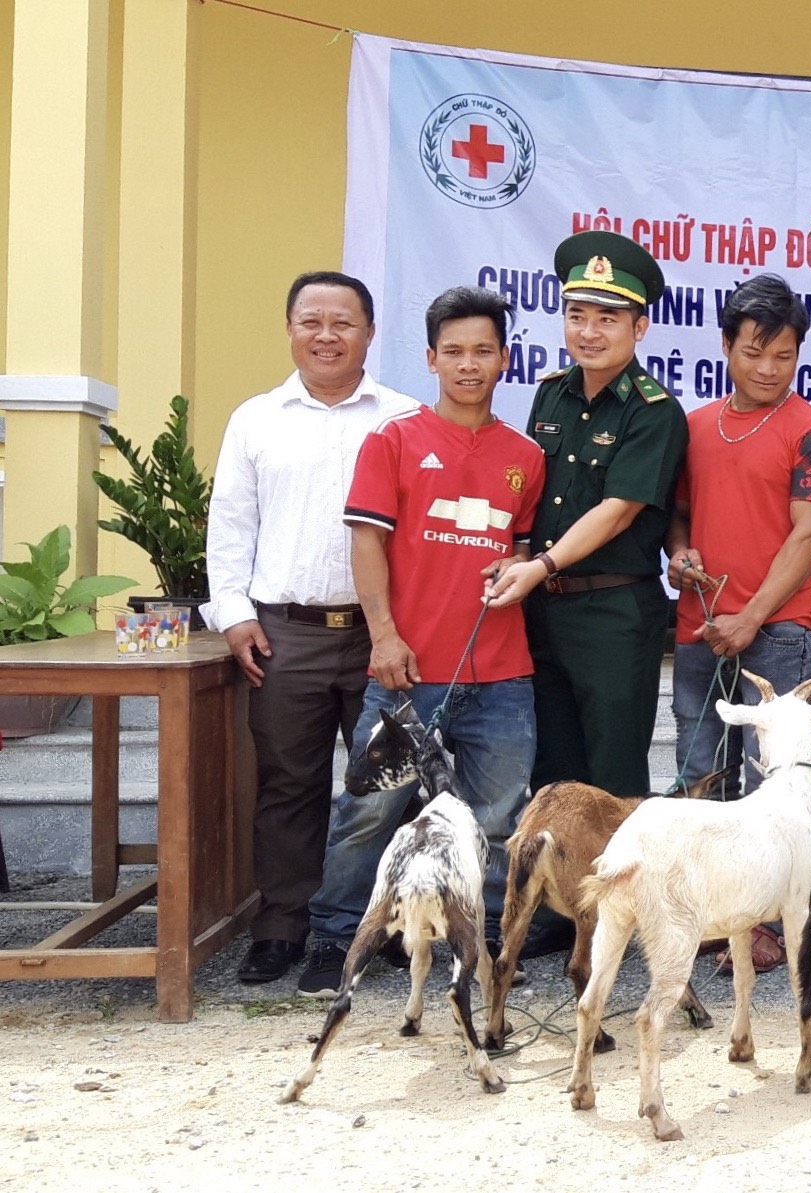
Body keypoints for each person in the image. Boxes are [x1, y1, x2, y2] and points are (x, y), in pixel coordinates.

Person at [298, 286, 545, 997]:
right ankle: (338, 934)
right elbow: (367, 544)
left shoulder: (524, 457)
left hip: (502, 674)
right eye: (455, 352)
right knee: (370, 807)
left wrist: (515, 566)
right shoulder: (395, 440)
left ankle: (485, 943)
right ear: (431, 357)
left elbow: (520, 552)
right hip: (408, 669)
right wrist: (384, 637)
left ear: (504, 358)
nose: (469, 365)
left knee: (496, 819)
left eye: (484, 351)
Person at [204, 271, 418, 984]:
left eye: (343, 322)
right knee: (287, 782)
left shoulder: (402, 417)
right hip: (284, 632)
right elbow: (231, 526)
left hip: (378, 632)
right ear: (290, 328)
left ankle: (379, 921)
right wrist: (234, 615)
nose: (326, 335)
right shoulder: (256, 419)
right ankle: (282, 924)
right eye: (311, 321)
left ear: (370, 332)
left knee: (387, 784)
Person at [486, 231, 686, 801]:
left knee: (612, 784)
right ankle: (556, 895)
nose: (589, 332)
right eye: (577, 315)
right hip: (543, 609)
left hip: (613, 617)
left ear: (639, 327)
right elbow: (531, 496)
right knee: (551, 778)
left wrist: (540, 563)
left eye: (608, 317)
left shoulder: (655, 412)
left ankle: (614, 895)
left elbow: (618, 511)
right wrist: (519, 559)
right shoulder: (550, 394)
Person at [666, 274, 811, 796]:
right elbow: (676, 514)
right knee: (700, 780)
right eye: (754, 353)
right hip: (700, 628)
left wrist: (751, 618)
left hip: (778, 633)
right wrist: (677, 554)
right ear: (725, 345)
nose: (768, 369)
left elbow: (810, 536)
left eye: (784, 356)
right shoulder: (693, 426)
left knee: (777, 791)